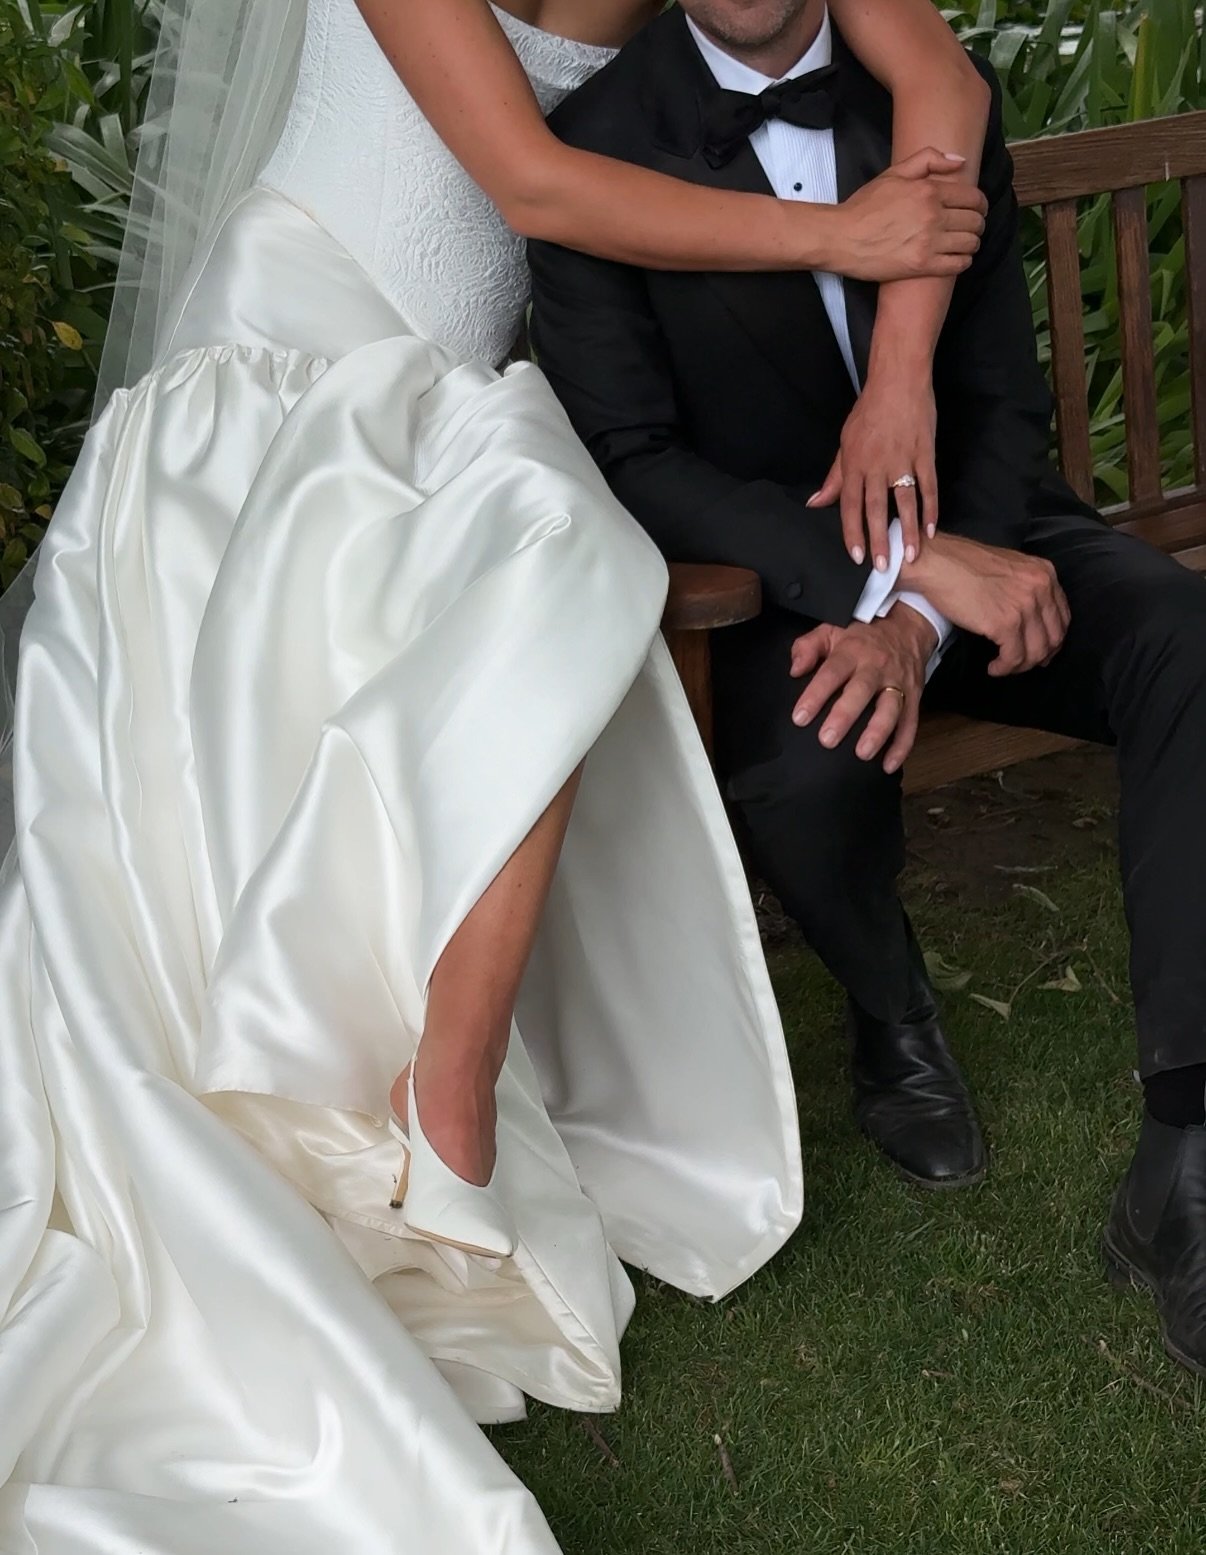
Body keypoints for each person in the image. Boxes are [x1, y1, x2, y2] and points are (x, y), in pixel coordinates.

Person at [0, 1, 992, 1549]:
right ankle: (400, 1094)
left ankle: (434, 1087)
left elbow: (932, 68)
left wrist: (902, 358)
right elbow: (526, 185)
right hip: (297, 346)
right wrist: (849, 237)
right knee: (558, 556)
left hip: (456, 385)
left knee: (556, 558)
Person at [529, 0, 1206, 1384]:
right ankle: (892, 1022)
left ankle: (1186, 1148)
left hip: (984, 531)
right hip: (773, 570)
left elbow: (1001, 398)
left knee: (1184, 640)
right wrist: (875, 590)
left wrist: (912, 602)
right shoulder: (590, 144)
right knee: (802, 761)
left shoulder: (935, 104)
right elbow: (636, 456)